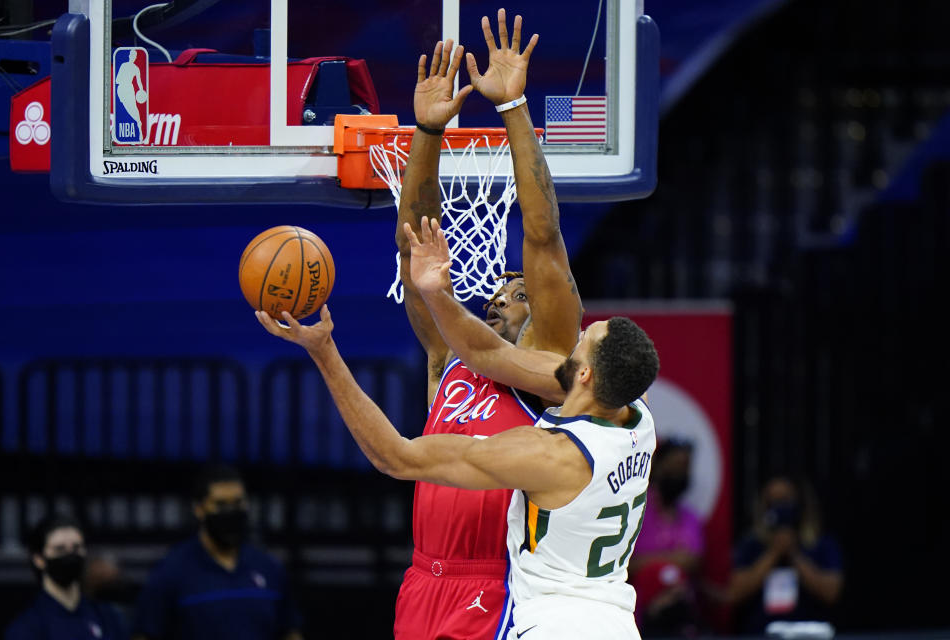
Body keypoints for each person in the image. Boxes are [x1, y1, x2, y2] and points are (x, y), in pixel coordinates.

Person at [255, 217, 660, 640]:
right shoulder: (637, 414)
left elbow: (396, 456)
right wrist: (433, 292)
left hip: (552, 622)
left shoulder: (547, 453)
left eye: (581, 341)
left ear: (584, 375)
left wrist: (323, 351)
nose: (573, 337)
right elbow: (485, 350)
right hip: (613, 619)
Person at [385, 9, 582, 639]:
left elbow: (543, 235)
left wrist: (515, 106)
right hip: (420, 581)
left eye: (516, 292)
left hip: (490, 585)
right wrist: (426, 132)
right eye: (494, 291)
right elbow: (413, 238)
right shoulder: (451, 356)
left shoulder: (545, 367)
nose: (499, 298)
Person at [131, 465, 303, 640]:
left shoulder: (269, 568)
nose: (230, 512)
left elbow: (290, 632)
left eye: (238, 503)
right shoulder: (171, 572)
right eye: (221, 505)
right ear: (199, 509)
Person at [728, 474, 844, 634]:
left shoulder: (821, 543)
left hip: (810, 633)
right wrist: (774, 553)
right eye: (772, 501)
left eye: (785, 499)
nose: (779, 506)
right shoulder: (751, 545)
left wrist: (794, 554)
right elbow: (734, 593)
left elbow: (831, 593)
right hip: (761, 633)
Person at [626, 438, 704, 636]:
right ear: (659, 466)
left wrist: (650, 561)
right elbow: (625, 563)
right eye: (676, 466)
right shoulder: (637, 510)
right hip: (639, 618)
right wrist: (673, 559)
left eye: (685, 468)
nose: (681, 474)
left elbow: (692, 560)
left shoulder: (690, 517)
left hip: (681, 620)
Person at [5, 514, 128, 640]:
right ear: (39, 559)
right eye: (60, 549)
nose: (69, 555)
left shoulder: (107, 618)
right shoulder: (27, 628)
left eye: (76, 547)